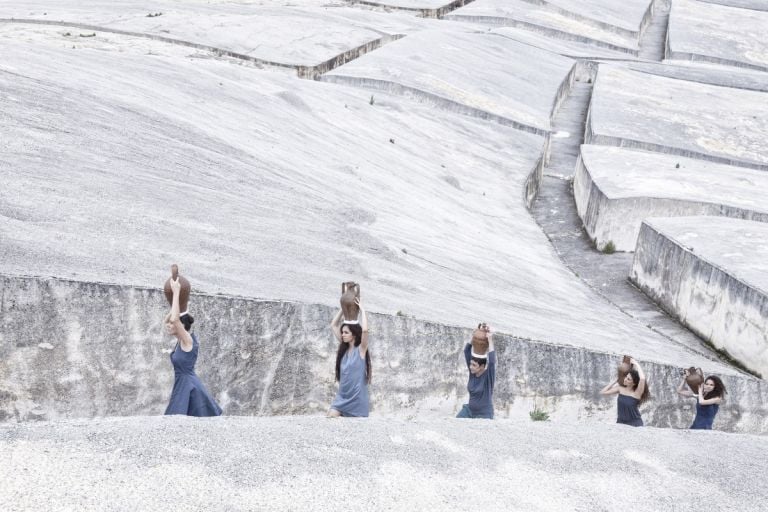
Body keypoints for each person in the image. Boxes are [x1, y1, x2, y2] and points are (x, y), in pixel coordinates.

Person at [164, 277, 222, 417]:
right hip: (182, 383)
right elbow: (169, 319)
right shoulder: (179, 341)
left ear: (181, 326)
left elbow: (174, 319)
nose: (169, 325)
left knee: (183, 419)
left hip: (189, 385)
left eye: (173, 325)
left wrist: (177, 292)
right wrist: (178, 305)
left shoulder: (188, 340)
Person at [328, 298, 371, 417]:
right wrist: (343, 309)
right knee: (330, 418)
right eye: (342, 332)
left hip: (357, 400)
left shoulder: (361, 350)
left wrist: (362, 310)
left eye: (346, 332)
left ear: (354, 334)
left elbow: (365, 330)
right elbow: (333, 325)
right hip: (342, 398)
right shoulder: (345, 349)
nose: (343, 335)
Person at [456, 326, 496, 419]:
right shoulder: (472, 374)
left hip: (484, 414)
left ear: (482, 366)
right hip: (469, 411)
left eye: (474, 365)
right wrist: (473, 336)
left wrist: (490, 339)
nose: (470, 367)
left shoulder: (488, 377)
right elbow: (466, 351)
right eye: (471, 364)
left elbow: (492, 361)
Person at [600, 357, 649, 427]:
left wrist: (636, 364)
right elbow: (602, 392)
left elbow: (642, 378)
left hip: (635, 424)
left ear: (634, 383)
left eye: (628, 379)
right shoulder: (620, 389)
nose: (625, 379)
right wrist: (614, 382)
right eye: (626, 377)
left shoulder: (637, 393)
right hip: (620, 423)